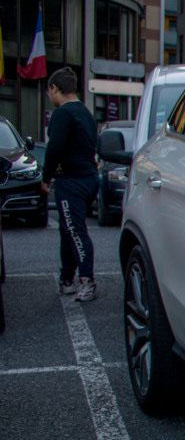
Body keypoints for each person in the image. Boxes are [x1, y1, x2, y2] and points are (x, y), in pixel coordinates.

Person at [41, 67, 100, 302]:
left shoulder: (62, 114)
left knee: (74, 231)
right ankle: (67, 279)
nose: (49, 97)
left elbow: (54, 148)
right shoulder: (86, 113)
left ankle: (87, 280)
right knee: (68, 229)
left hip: (71, 180)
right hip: (88, 178)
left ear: (55, 88)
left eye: (49, 91)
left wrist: (46, 177)